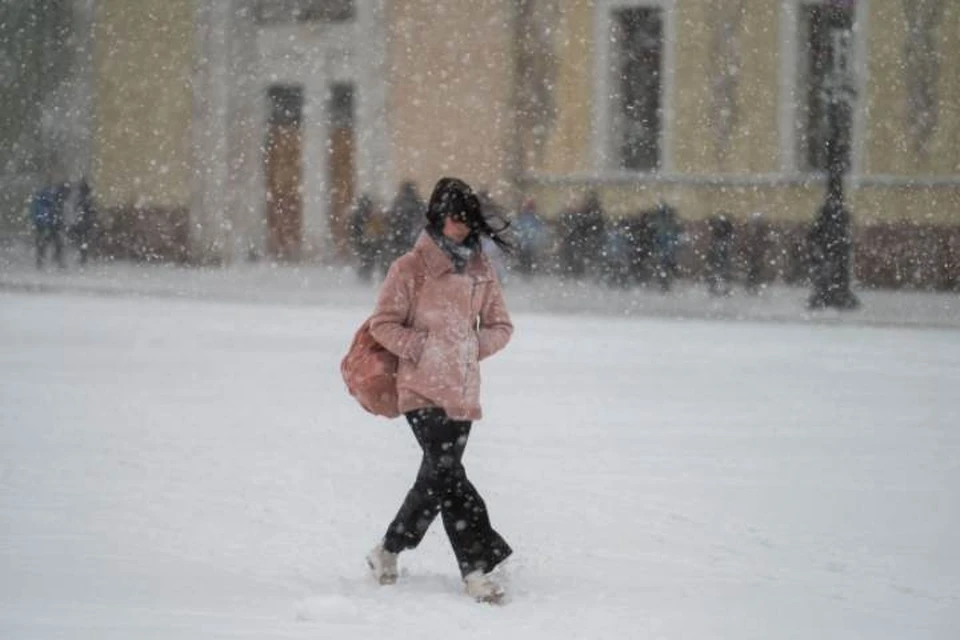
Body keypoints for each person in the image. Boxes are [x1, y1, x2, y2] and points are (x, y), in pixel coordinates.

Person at [364, 176, 514, 604]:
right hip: (420, 389)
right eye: (453, 218)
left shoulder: (481, 270)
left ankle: (388, 549)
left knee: (440, 478)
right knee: (446, 473)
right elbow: (383, 323)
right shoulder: (409, 268)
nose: (461, 226)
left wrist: (469, 349)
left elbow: (502, 326)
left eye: (466, 219)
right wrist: (422, 348)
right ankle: (477, 569)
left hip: (462, 392)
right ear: (437, 216)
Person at [30, 180, 68, 269]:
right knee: (51, 243)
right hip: (47, 225)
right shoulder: (46, 201)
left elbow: (38, 212)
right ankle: (53, 261)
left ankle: (44, 262)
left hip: (47, 225)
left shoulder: (44, 201)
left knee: (48, 244)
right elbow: (44, 212)